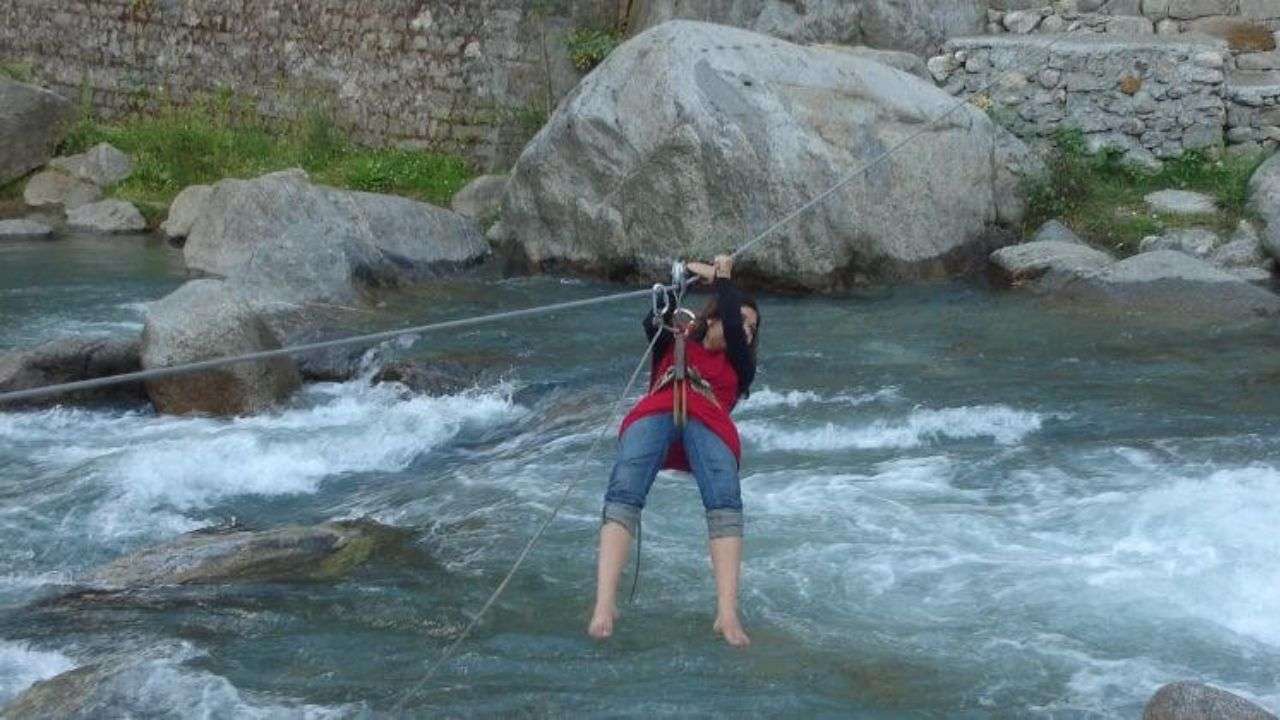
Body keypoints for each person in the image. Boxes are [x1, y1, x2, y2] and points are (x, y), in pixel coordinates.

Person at [588, 254, 761, 647]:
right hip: (657, 409)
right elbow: (652, 320)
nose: (746, 332)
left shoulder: (740, 364)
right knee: (624, 491)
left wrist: (724, 280)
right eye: (742, 321)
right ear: (710, 319)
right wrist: (680, 283)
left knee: (725, 501)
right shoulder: (675, 339)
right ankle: (604, 605)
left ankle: (727, 613)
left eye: (753, 329)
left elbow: (733, 328)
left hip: (709, 422)